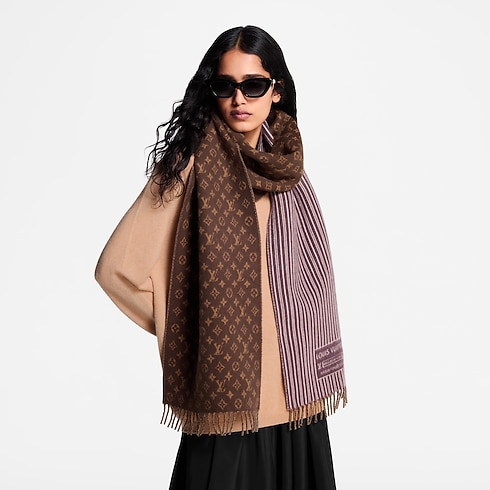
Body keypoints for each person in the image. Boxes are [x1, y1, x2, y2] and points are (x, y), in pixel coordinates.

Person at [95, 25, 347, 490]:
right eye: (225, 86)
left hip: (297, 390)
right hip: (227, 391)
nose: (239, 99)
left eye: (254, 85)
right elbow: (115, 270)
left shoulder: (286, 163)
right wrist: (187, 327)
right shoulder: (188, 164)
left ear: (277, 90)